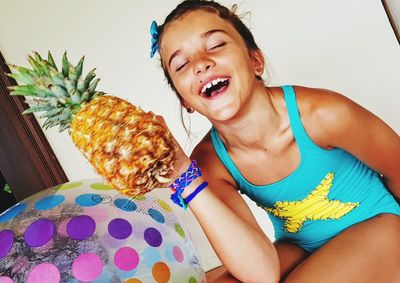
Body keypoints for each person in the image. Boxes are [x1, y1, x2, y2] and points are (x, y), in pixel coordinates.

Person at [151, 1, 400, 282]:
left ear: (255, 61)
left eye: (216, 45)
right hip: (298, 244)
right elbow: (260, 274)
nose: (200, 64)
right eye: (182, 64)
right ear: (186, 101)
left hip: (376, 221)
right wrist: (186, 179)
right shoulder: (208, 162)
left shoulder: (322, 115)